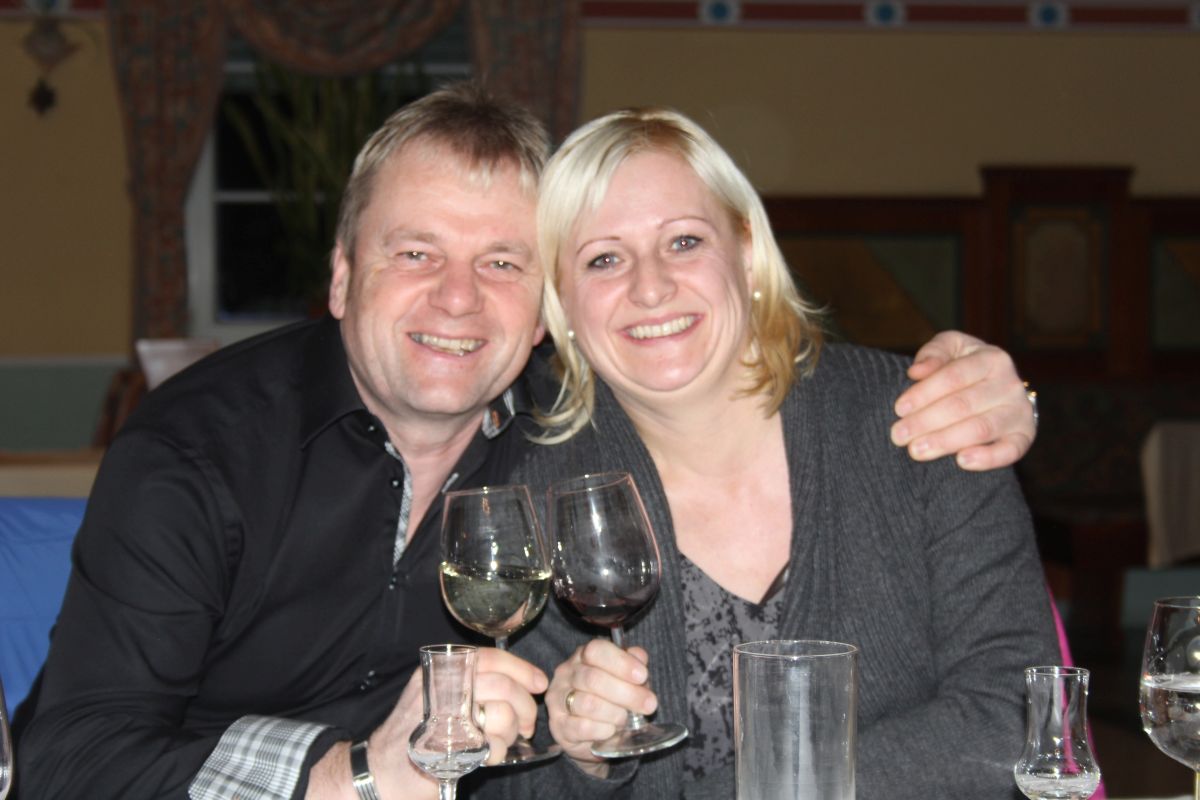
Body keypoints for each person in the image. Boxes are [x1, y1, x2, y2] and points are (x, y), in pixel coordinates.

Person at [14, 83, 1036, 800]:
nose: (458, 299)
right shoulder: (203, 452)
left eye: (501, 262)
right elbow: (70, 761)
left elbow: (1023, 714)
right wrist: (360, 775)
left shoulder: (571, 443)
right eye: (416, 252)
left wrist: (1004, 388)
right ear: (341, 277)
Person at [482, 107, 1059, 800]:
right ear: (562, 305)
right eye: (603, 259)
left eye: (684, 242)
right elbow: (516, 787)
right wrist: (585, 760)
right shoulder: (544, 496)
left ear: (748, 253)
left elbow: (1019, 716)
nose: (650, 286)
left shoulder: (921, 421)